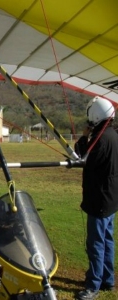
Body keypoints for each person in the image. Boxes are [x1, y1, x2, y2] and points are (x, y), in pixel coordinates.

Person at [74, 96, 118, 300]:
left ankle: (94, 285)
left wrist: (84, 138)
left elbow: (83, 159)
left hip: (99, 201)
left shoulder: (100, 140)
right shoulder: (113, 135)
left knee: (96, 244)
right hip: (111, 200)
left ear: (96, 114)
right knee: (107, 240)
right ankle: (108, 280)